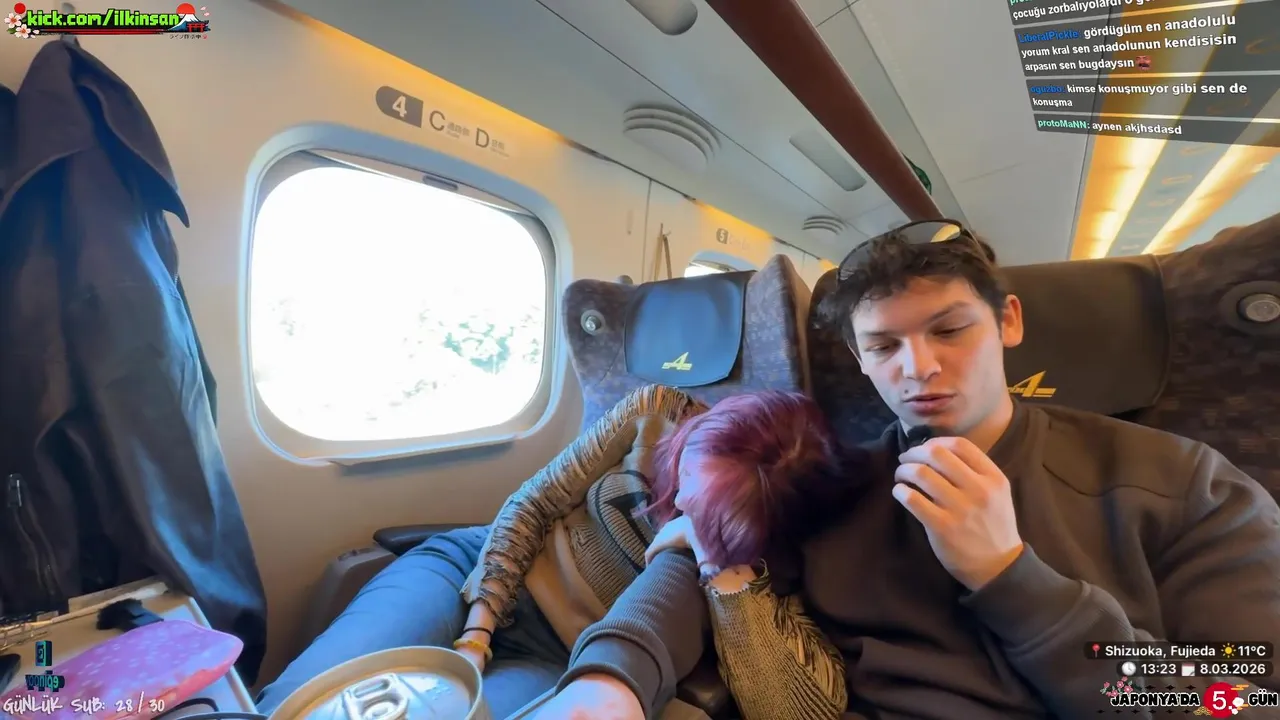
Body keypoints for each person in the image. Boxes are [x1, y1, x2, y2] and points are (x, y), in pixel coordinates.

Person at [535, 219, 1280, 719]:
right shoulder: (835, 482)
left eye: (949, 329)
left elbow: (1243, 698)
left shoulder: (1182, 482)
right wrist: (608, 680)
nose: (918, 367)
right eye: (884, 346)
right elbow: (697, 575)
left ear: (1008, 322)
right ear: (858, 359)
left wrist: (1013, 579)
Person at [256, 385, 849, 720]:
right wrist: (476, 635)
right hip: (469, 572)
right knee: (299, 702)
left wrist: (718, 562)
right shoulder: (655, 413)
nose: (685, 503)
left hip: (561, 654)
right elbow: (532, 504)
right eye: (690, 475)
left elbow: (801, 710)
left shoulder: (765, 562)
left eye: (712, 511)